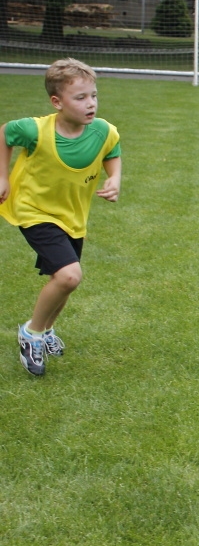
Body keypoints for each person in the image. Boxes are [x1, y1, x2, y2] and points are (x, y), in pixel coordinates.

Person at [0, 58, 121, 377]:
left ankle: (47, 329)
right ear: (57, 102)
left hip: (72, 216)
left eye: (93, 95)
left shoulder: (103, 131)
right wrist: (3, 177)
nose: (91, 103)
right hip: (34, 211)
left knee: (65, 282)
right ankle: (31, 333)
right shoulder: (33, 129)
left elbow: (113, 152)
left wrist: (115, 178)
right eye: (80, 98)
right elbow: (4, 134)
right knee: (69, 275)